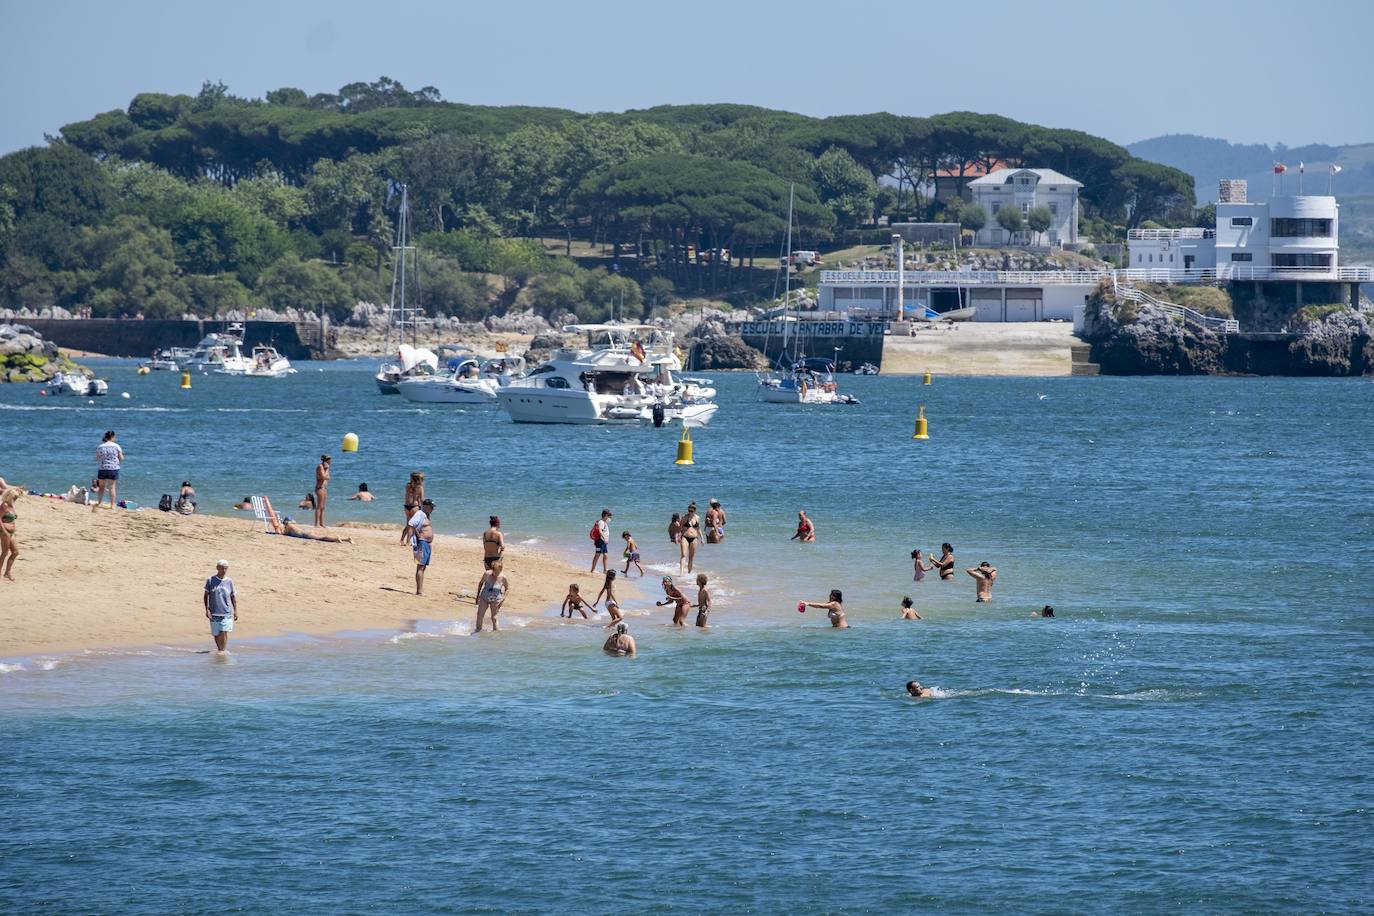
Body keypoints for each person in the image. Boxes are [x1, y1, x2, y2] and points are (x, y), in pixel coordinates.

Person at [203, 560, 238, 653]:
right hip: (214, 612)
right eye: (222, 568)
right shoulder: (210, 580)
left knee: (223, 631)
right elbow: (206, 596)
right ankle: (220, 649)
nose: (224, 570)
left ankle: (223, 650)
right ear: (217, 568)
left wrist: (235, 611)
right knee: (216, 633)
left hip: (226, 611)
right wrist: (207, 610)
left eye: (226, 568)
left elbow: (233, 596)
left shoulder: (229, 581)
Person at [408, 499, 435, 595]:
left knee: (423, 567)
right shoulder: (420, 513)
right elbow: (411, 524)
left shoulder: (426, 515)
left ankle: (420, 589)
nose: (432, 509)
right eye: (431, 507)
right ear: (426, 506)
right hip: (421, 542)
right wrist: (413, 538)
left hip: (426, 543)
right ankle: (419, 590)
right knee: (420, 566)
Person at [474, 560, 509, 632]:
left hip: (496, 599)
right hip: (484, 597)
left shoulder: (503, 578)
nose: (495, 572)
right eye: (494, 570)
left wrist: (502, 599)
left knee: (494, 618)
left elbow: (507, 589)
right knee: (480, 614)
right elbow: (481, 583)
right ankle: (477, 631)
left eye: (497, 571)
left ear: (501, 569)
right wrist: (477, 596)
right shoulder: (487, 574)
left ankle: (496, 633)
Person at [93, 430, 123, 512]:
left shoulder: (100, 446)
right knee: (112, 487)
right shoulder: (116, 446)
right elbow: (121, 458)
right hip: (113, 468)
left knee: (101, 487)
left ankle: (99, 503)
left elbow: (97, 458)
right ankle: (112, 505)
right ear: (112, 437)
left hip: (102, 468)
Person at [280, 517, 354, 543]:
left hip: (305, 534)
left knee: (322, 538)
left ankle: (336, 538)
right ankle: (347, 539)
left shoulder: (289, 526)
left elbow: (283, 533)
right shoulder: (292, 525)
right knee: (321, 537)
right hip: (306, 531)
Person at [1, 487, 21, 581]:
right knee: (5, 552)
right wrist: (4, 531)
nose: (16, 499)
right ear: (10, 496)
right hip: (5, 532)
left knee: (15, 552)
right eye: (14, 497)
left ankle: (7, 573)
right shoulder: (4, 505)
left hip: (12, 533)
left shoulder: (12, 505)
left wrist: (18, 489)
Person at [680, 503, 701, 574]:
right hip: (685, 537)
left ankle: (689, 574)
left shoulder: (697, 518)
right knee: (683, 555)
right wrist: (677, 536)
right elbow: (680, 527)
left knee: (691, 557)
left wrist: (702, 538)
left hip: (694, 538)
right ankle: (681, 573)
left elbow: (698, 528)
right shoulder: (684, 517)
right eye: (689, 510)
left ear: (695, 511)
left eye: (691, 511)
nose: (690, 512)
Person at [589, 508, 612, 573]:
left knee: (605, 555)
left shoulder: (603, 522)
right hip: (600, 541)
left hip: (601, 541)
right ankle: (593, 569)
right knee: (598, 554)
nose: (609, 518)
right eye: (609, 516)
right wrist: (605, 538)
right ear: (606, 515)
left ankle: (605, 570)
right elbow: (600, 531)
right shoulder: (601, 522)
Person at [313, 455, 331, 527]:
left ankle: (321, 523)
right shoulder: (320, 466)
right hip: (319, 488)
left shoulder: (326, 467)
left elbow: (328, 477)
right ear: (326, 460)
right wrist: (326, 470)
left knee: (323, 507)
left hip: (324, 488)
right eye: (329, 460)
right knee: (319, 506)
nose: (330, 462)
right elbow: (324, 477)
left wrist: (326, 471)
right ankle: (316, 524)